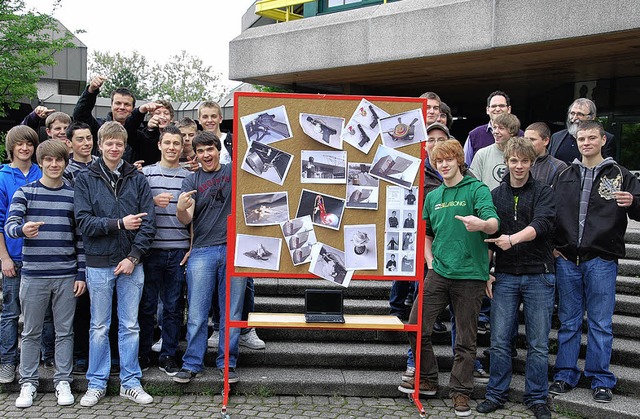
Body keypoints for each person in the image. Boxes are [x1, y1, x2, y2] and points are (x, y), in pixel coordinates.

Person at [400, 139, 499, 418]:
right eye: (438, 160)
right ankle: (429, 379)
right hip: (439, 273)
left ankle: (460, 392)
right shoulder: (433, 197)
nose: (443, 165)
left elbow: (493, 223)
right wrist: (430, 262)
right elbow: (427, 233)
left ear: (459, 160)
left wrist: (481, 224)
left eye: (448, 159)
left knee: (465, 340)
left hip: (470, 276)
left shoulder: (476, 189)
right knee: (416, 326)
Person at [550, 120, 640, 403]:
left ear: (603, 140)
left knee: (601, 323)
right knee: (568, 321)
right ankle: (565, 373)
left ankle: (600, 379)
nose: (586, 142)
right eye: (581, 138)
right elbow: (550, 214)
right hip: (567, 259)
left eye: (592, 138)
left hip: (601, 258)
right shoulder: (565, 174)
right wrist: (553, 247)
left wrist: (633, 203)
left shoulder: (621, 175)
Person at [74, 121, 156, 407]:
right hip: (98, 264)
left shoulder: (137, 178)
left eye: (119, 143)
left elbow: (149, 224)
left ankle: (130, 382)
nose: (114, 147)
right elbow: (83, 221)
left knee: (130, 325)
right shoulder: (85, 178)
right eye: (109, 143)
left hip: (131, 264)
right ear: (100, 145)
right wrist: (118, 223)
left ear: (124, 147)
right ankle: (96, 383)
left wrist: (133, 257)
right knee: (99, 326)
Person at [476, 137, 556, 419]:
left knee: (538, 343)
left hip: (539, 275)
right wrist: (486, 273)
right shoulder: (495, 195)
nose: (519, 166)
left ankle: (536, 398)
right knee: (498, 340)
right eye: (514, 161)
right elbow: (487, 239)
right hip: (506, 276)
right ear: (506, 162)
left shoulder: (544, 191)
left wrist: (512, 239)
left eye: (524, 161)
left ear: (531, 162)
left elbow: (542, 225)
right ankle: (496, 394)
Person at [5, 141, 86, 408]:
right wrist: (23, 229)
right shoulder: (25, 192)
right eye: (49, 160)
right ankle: (28, 382)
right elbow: (10, 226)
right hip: (34, 275)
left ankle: (63, 380)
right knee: (30, 331)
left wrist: (81, 273)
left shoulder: (74, 195)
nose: (54, 165)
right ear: (41, 162)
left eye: (59, 160)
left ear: (65, 163)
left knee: (65, 331)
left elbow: (80, 239)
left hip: (65, 275)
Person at [174, 131, 247, 384]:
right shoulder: (191, 180)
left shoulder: (232, 172)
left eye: (210, 149)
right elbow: (187, 218)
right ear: (195, 155)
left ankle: (228, 363)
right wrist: (181, 209)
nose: (206, 155)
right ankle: (192, 363)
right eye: (201, 151)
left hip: (235, 250)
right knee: (196, 313)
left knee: (231, 313)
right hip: (202, 250)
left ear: (218, 150)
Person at [138, 125, 191, 376]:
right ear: (159, 145)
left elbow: (196, 216)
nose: (171, 148)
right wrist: (150, 201)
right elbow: (134, 206)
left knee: (173, 306)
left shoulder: (189, 176)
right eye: (167, 143)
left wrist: (191, 246)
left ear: (182, 147)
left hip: (178, 250)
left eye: (176, 144)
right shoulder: (145, 175)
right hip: (150, 250)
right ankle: (144, 352)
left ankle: (169, 354)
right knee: (147, 305)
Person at [0, 126, 44, 385]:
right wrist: (4, 258)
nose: (25, 148)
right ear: (12, 147)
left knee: (44, 313)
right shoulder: (3, 176)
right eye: (20, 144)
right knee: (10, 311)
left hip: (42, 257)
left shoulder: (43, 170)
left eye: (29, 143)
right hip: (14, 256)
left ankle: (45, 358)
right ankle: (7, 362)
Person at [72, 75, 160, 162]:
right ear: (111, 105)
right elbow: (80, 116)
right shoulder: (99, 126)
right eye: (118, 103)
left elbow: (151, 154)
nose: (122, 107)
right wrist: (91, 91)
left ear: (133, 108)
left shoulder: (143, 131)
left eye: (127, 104)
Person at [548, 98, 616, 165]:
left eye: (580, 114)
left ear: (592, 117)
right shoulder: (556, 137)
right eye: (572, 113)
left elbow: (607, 168)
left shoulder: (606, 139)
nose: (574, 118)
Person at [463, 91, 523, 165]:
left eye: (501, 106)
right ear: (487, 110)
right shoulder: (474, 135)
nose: (497, 109)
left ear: (509, 109)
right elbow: (465, 165)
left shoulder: (521, 135)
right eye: (493, 106)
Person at [470, 113, 521, 191]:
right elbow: (473, 184)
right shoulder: (482, 154)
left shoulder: (522, 155)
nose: (495, 132)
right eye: (494, 127)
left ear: (512, 131)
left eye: (501, 128)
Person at [135, 100, 175, 166]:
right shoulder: (143, 134)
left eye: (166, 113)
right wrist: (150, 130)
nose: (162, 116)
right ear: (151, 117)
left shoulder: (177, 135)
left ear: (171, 118)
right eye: (158, 113)